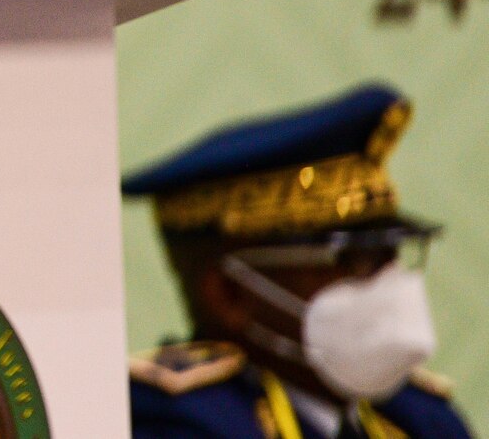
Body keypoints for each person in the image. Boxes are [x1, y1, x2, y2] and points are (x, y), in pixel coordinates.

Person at [123, 84, 471, 439]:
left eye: (393, 255)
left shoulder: (422, 420)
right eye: (355, 258)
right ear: (228, 295)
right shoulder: (175, 423)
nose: (390, 281)